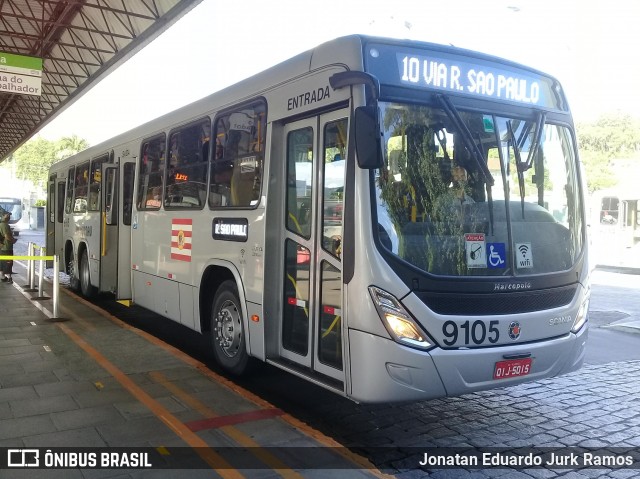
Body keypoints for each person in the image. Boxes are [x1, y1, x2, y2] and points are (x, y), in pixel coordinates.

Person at [0, 211, 17, 284]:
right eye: (7, 215)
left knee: (2, 262)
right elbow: (7, 236)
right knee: (8, 262)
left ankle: (2, 276)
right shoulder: (5, 225)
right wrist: (13, 240)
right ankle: (9, 277)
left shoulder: (1, 224)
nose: (9, 217)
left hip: (2, 247)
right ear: (2, 216)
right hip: (6, 247)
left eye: (9, 215)